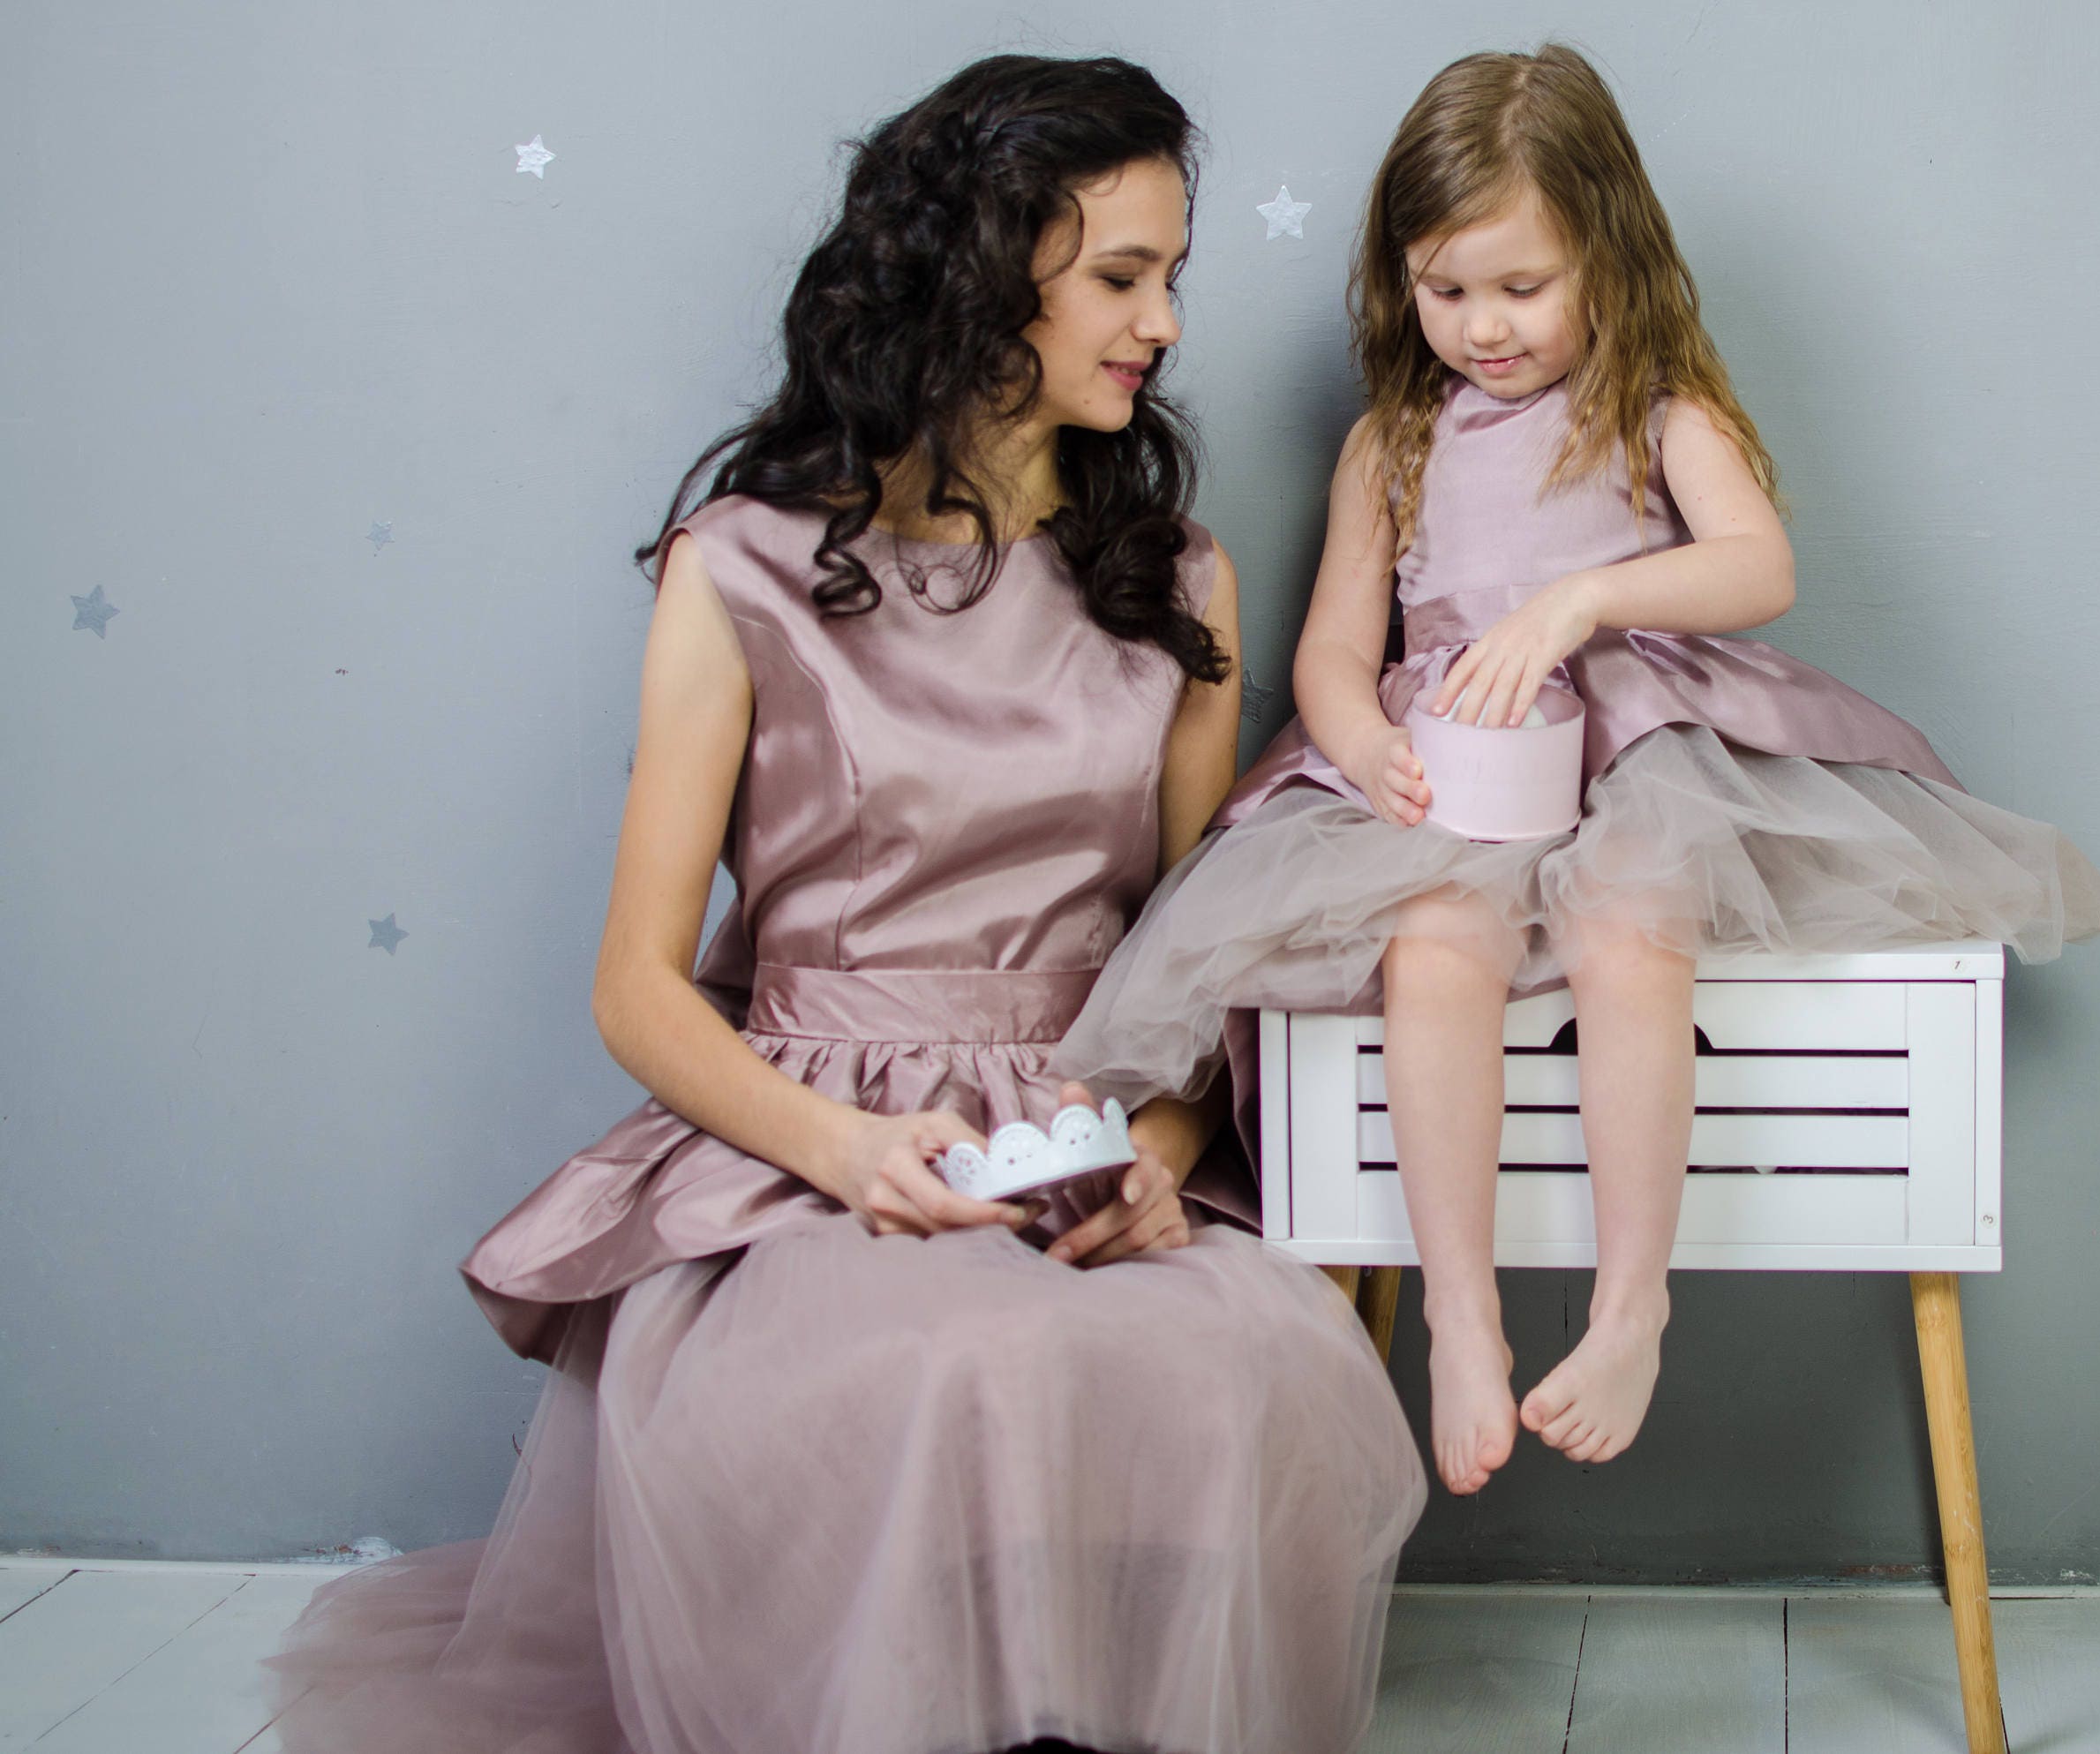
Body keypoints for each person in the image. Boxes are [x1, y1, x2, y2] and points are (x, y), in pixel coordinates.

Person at [266, 54, 1425, 1754]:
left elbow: (1192, 966)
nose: (1165, 322)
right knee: (948, 1364)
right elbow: (641, 993)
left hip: (1077, 1131)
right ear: (979, 272)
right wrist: (852, 1155)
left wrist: (1159, 1168)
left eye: (1174, 276)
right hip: (816, 1146)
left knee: (1242, 1367)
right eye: (1121, 276)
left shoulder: (1178, 579)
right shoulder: (739, 566)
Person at [1051, 42, 2100, 1499]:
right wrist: (1361, 736)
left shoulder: (1657, 411)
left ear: (1606, 260)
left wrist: (1581, 603)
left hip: (1629, 755)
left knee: (1633, 927)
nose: (1483, 327)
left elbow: (1759, 567)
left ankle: (1633, 1303)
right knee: (1434, 947)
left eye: (1521, 287)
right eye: (1446, 289)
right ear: (1402, 278)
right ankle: (1467, 1322)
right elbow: (1326, 653)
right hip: (1454, 766)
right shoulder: (1394, 441)